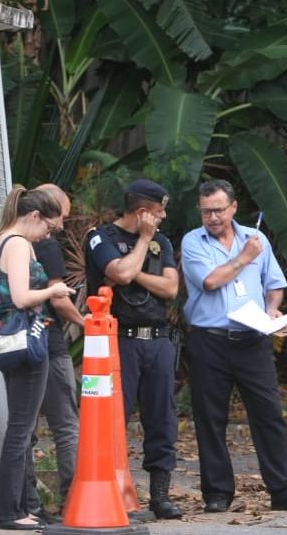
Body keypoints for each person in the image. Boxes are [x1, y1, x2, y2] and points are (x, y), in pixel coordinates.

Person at [180, 179, 287, 514]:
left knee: (269, 415)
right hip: (209, 341)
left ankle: (283, 489)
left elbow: (275, 284)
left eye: (218, 210)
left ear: (233, 207)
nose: (212, 217)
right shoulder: (192, 242)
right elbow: (211, 281)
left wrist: (272, 308)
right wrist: (244, 257)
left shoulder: (257, 240)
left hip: (253, 341)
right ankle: (217, 493)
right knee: (210, 419)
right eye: (206, 211)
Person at [84, 179, 183, 520]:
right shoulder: (102, 238)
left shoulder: (162, 242)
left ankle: (160, 496)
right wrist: (141, 241)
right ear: (142, 213)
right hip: (119, 340)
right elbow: (118, 273)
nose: (163, 217)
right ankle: (114, 492)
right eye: (158, 212)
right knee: (114, 419)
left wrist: (134, 271)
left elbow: (170, 288)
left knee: (162, 419)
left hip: (157, 339)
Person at [0, 186, 75, 530]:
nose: (47, 236)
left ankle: (18, 507)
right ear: (34, 216)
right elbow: (21, 297)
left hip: (9, 342)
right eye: (48, 228)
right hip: (27, 344)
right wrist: (54, 290)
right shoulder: (19, 243)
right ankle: (9, 511)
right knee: (21, 430)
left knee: (19, 428)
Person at [23, 183, 83, 522]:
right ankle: (73, 501)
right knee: (66, 426)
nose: (61, 225)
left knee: (23, 426)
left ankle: (28, 502)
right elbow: (58, 298)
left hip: (20, 343)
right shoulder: (47, 246)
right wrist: (84, 322)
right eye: (61, 216)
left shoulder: (9, 242)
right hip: (49, 343)